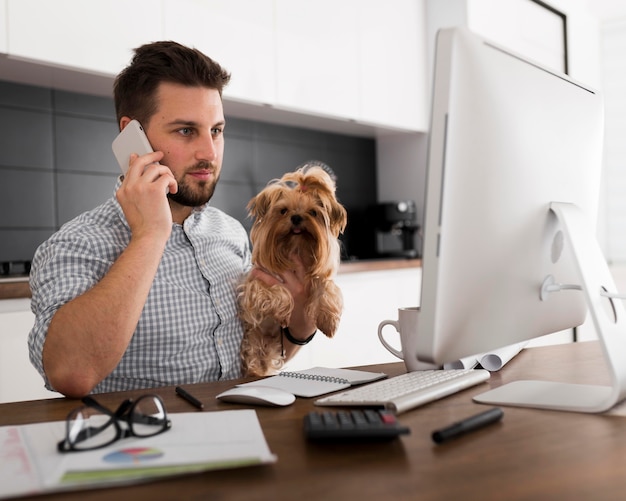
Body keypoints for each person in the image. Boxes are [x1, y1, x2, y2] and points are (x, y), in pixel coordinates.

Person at [27, 41, 317, 398]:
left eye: (216, 130)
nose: (209, 152)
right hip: (140, 445)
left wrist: (302, 318)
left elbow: (261, 357)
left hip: (241, 433)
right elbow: (69, 374)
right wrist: (150, 235)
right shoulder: (78, 244)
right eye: (185, 130)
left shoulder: (231, 234)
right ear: (133, 135)